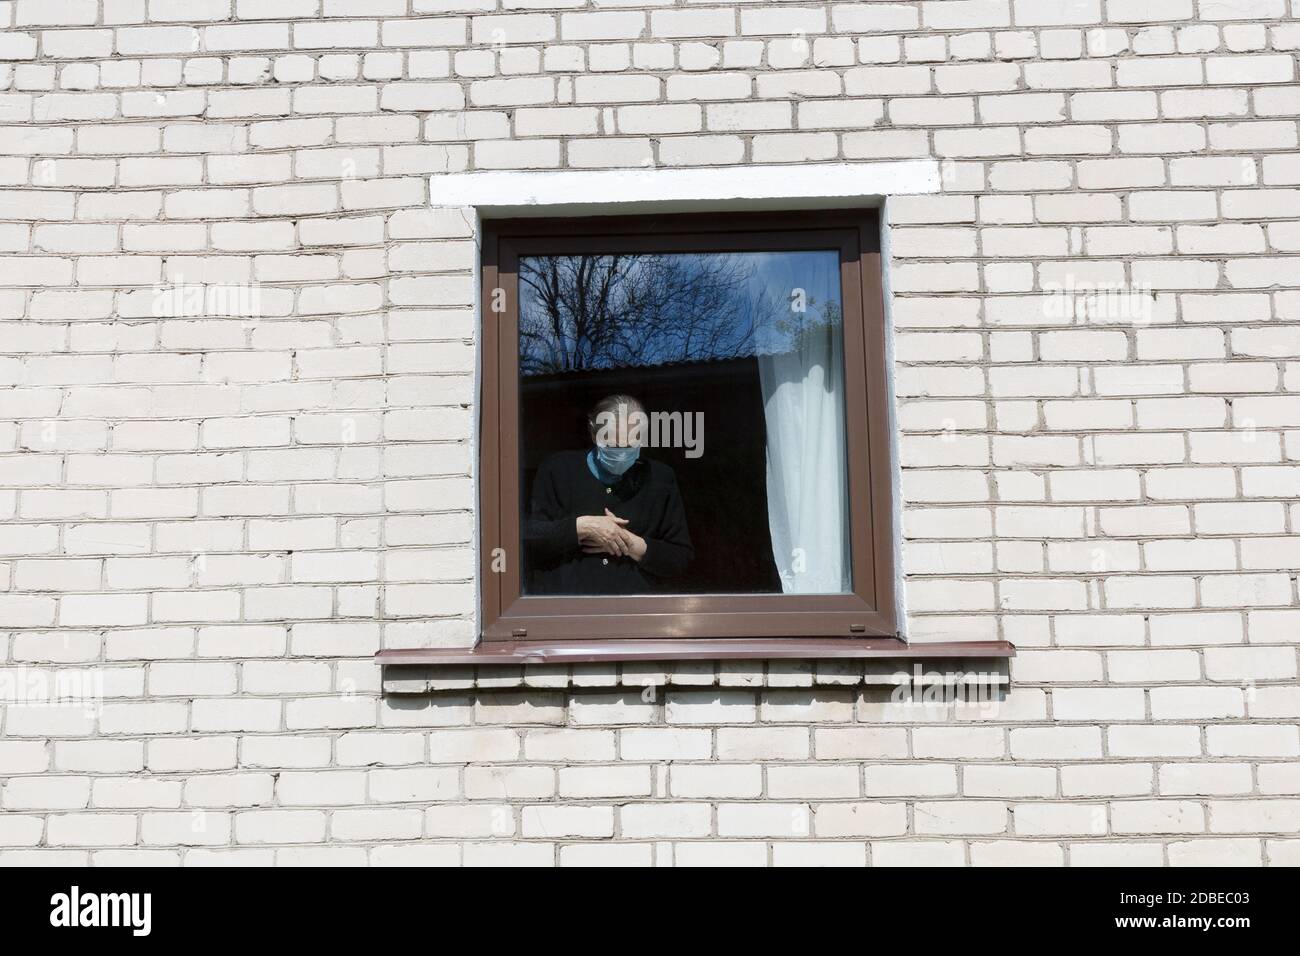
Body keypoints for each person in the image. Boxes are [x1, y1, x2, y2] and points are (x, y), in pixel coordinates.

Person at [524, 394, 693, 594]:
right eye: (613, 445)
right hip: (567, 609)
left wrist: (628, 542)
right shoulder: (557, 470)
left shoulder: (660, 478)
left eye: (630, 446)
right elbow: (529, 540)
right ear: (594, 434)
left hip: (635, 609)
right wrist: (583, 527)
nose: (621, 453)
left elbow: (680, 558)